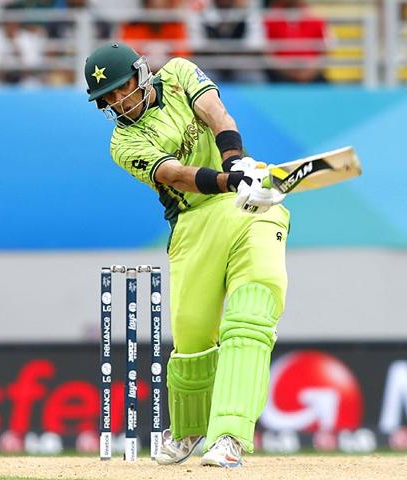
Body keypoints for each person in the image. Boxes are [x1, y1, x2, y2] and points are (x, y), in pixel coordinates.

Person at [84, 42, 288, 467]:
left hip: (251, 210)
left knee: (249, 317)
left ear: (142, 73)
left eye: (121, 89)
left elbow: (217, 114)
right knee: (193, 338)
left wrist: (237, 163)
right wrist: (231, 181)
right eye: (106, 98)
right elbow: (175, 175)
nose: (116, 101)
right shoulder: (123, 143)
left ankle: (230, 436)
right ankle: (190, 428)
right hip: (193, 223)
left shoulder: (178, 73)